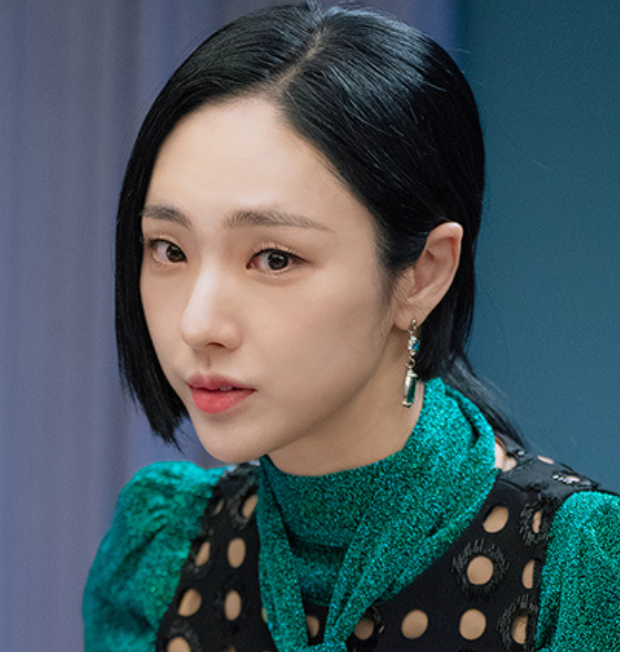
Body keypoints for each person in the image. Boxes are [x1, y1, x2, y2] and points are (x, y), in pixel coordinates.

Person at [83, 3, 620, 651]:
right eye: (169, 249)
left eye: (274, 258)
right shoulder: (164, 553)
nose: (198, 324)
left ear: (423, 273)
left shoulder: (573, 569)